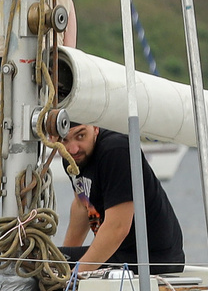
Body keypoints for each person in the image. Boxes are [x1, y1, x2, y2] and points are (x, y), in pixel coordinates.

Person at [57, 116, 185, 274]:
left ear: (96, 128)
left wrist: (74, 277)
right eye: (64, 140)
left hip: (152, 259)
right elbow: (82, 206)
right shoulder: (72, 158)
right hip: (117, 254)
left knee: (47, 264)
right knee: (42, 259)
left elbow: (117, 228)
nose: (73, 149)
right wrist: (61, 257)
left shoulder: (116, 150)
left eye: (81, 136)